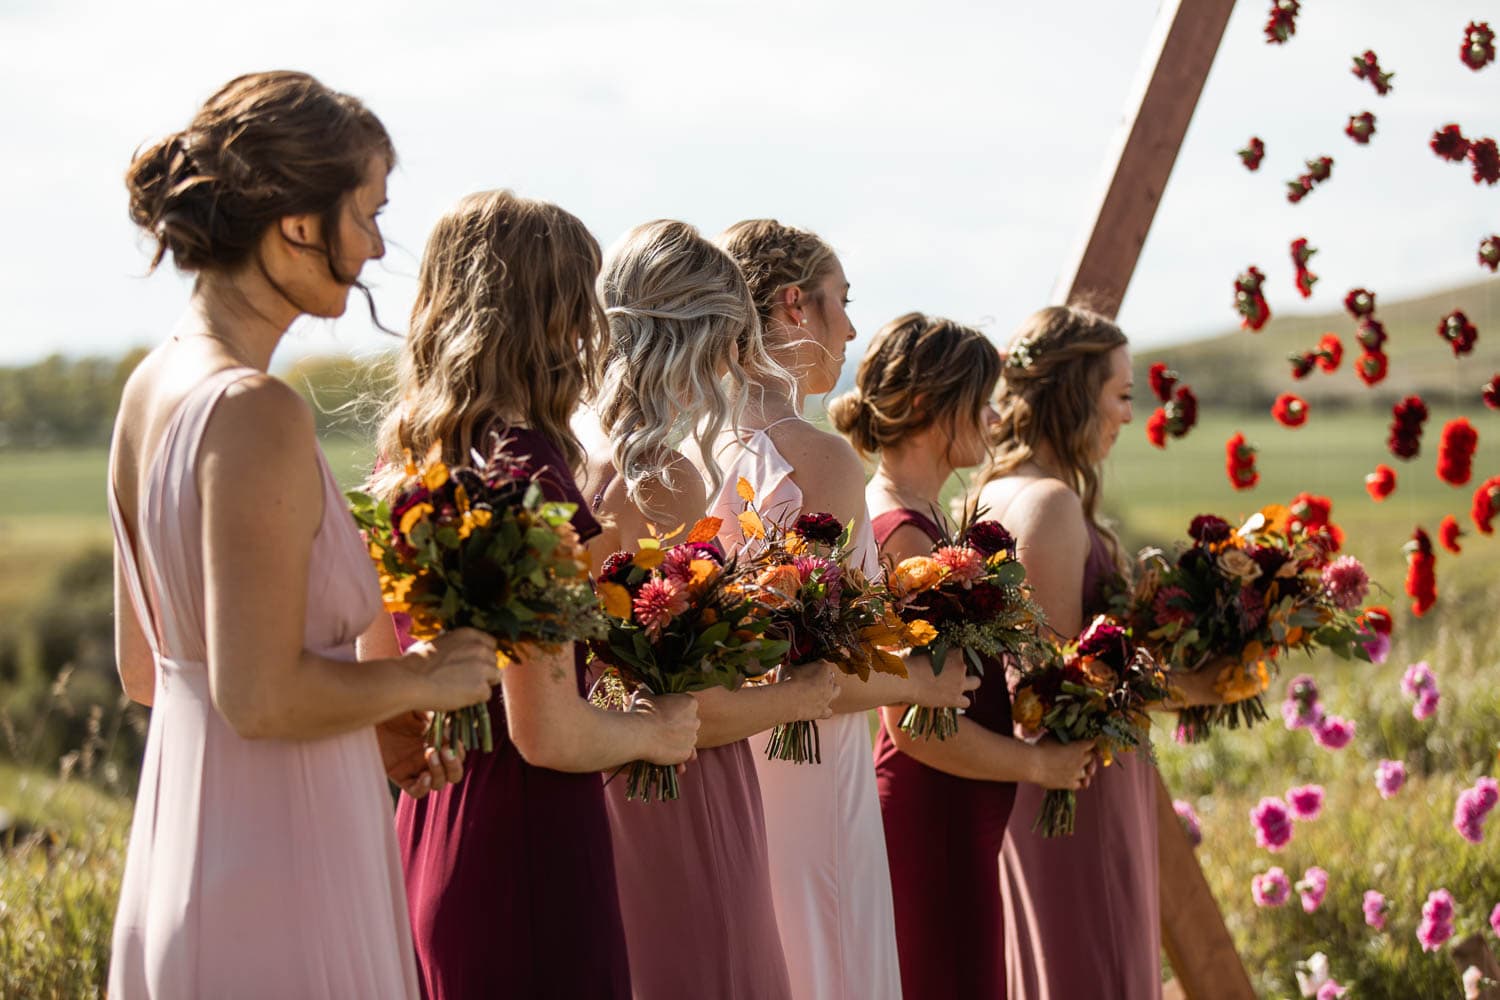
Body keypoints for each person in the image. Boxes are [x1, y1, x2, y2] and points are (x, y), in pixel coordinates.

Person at [108, 71, 502, 998]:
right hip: (276, 874)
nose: (374, 248)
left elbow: (147, 669)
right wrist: (424, 677)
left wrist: (369, 717)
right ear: (295, 225)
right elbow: (258, 697)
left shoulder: (147, 389)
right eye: (367, 214)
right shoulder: (253, 411)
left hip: (189, 847)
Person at [373, 192, 700, 999]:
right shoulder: (525, 473)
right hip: (528, 838)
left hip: (434, 818)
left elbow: (381, 680)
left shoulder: (411, 459)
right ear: (550, 320)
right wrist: (657, 730)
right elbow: (548, 730)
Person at [708, 219, 975, 1000]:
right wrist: (925, 682)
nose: (851, 327)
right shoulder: (818, 457)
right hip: (810, 758)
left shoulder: (693, 446)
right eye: (841, 302)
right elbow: (822, 668)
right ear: (796, 306)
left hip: (724, 757)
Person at [582, 218, 839, 999]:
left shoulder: (581, 455)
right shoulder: (665, 478)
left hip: (598, 779)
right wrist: (799, 694)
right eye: (730, 341)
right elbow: (674, 702)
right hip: (677, 789)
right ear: (701, 341)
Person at [829, 311, 1098, 1000]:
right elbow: (913, 727)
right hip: (933, 815)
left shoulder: (924, 513)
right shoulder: (904, 538)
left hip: (961, 814)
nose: (994, 413)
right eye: (978, 399)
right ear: (926, 406)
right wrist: (1042, 764)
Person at [974, 305, 1217, 1000]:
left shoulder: (994, 492)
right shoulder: (1048, 505)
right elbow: (1066, 679)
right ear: (1080, 393)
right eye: (1122, 395)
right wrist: (1199, 684)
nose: (1128, 416)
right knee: (1099, 962)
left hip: (1047, 778)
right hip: (1081, 783)